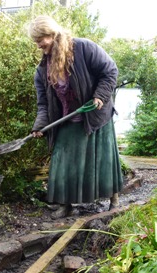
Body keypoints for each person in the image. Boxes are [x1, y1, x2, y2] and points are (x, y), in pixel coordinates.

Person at [28, 15, 123, 219]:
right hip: (66, 119)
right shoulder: (42, 69)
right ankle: (65, 204)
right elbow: (43, 103)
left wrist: (100, 96)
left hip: (95, 115)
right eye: (36, 41)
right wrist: (40, 125)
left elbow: (110, 71)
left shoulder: (84, 48)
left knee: (103, 160)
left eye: (40, 40)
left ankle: (114, 199)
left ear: (52, 35)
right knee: (62, 161)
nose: (38, 46)